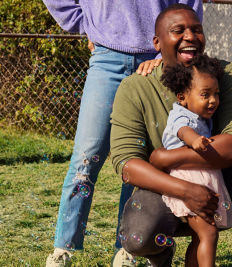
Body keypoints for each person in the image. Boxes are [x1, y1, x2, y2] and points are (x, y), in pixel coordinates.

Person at [110, 3, 232, 267]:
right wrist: (186, 190)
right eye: (178, 30)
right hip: (165, 191)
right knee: (138, 237)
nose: (190, 36)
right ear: (157, 42)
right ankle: (161, 255)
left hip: (222, 188)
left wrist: (165, 158)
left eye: (197, 30)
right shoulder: (135, 88)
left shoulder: (227, 75)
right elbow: (127, 163)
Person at [41, 1, 203, 266]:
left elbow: (190, 4)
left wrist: (166, 53)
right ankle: (63, 249)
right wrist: (85, 25)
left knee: (142, 160)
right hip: (107, 60)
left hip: (157, 60)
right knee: (86, 157)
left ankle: (129, 250)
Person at [160, 54, 232, 266]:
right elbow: (181, 129)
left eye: (216, 94)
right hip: (189, 180)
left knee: (202, 235)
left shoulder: (201, 116)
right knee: (209, 234)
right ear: (182, 97)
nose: (213, 100)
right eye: (205, 94)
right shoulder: (182, 115)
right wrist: (194, 140)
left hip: (201, 177)